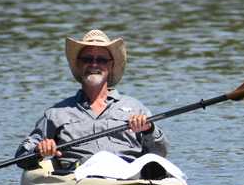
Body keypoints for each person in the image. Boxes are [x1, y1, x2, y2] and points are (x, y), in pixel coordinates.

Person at [15, 29, 168, 171]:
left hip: (127, 179)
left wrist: (149, 129)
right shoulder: (56, 114)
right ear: (79, 64)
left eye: (101, 59)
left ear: (111, 65)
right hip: (78, 183)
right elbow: (21, 157)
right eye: (87, 58)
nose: (94, 64)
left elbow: (160, 153)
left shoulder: (135, 108)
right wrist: (39, 151)